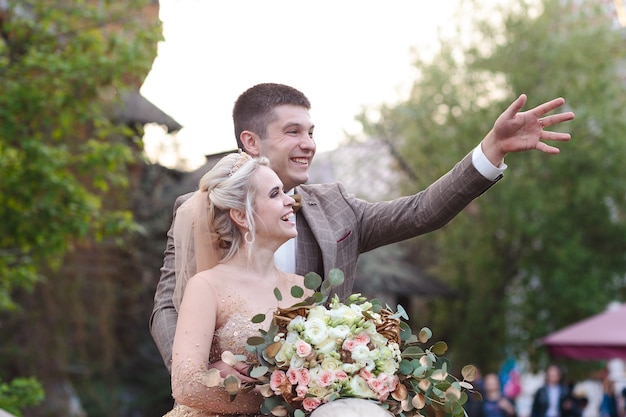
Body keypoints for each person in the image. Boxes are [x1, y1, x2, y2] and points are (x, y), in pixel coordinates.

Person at [151, 83, 575, 373]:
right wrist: (203, 376)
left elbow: (421, 212)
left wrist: (491, 150)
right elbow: (169, 307)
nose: (309, 144)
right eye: (293, 131)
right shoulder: (198, 210)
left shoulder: (336, 207)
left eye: (312, 132)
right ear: (251, 142)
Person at [163, 151, 391, 417]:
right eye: (275, 194)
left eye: (284, 192)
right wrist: (278, 401)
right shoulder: (207, 286)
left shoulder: (304, 289)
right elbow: (186, 387)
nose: (290, 201)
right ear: (241, 215)